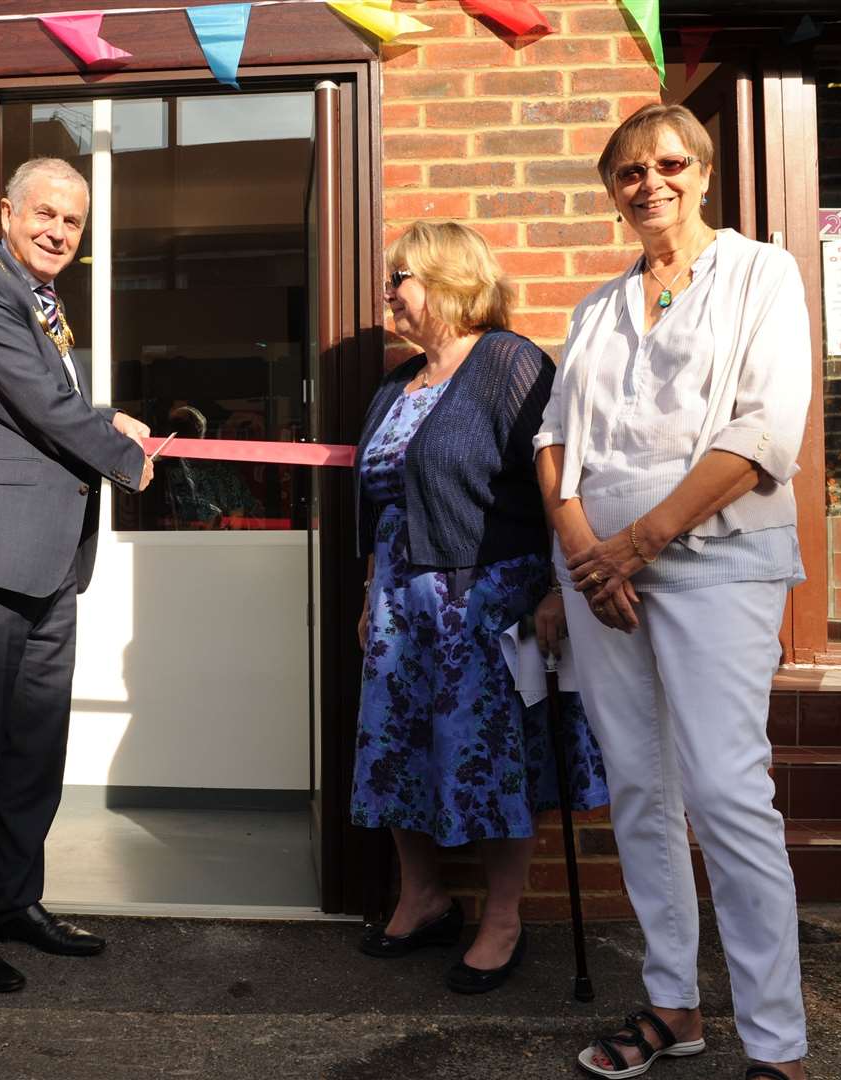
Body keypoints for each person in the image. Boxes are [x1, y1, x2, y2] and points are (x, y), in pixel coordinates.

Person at [533, 103, 811, 1080]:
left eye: (667, 164)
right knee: (642, 792)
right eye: (627, 172)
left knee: (728, 794)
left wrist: (638, 544)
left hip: (715, 564)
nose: (649, 183)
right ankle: (673, 1005)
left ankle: (778, 1049)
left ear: (700, 173)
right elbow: (552, 442)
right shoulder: (598, 309)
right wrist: (584, 553)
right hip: (607, 580)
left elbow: (767, 431)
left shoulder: (760, 275)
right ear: (613, 196)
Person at [0, 156, 153, 992]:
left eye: (72, 223)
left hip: (48, 558)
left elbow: (40, 402)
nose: (56, 231)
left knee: (33, 750)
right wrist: (123, 453)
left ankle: (12, 901)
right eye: (43, 214)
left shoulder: (45, 307)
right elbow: (35, 402)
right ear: (7, 210)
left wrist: (100, 413)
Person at [351, 221, 609, 994]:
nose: (388, 291)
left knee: (489, 757)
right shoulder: (396, 383)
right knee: (395, 748)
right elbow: (378, 502)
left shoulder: (507, 363)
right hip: (402, 601)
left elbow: (559, 477)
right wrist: (372, 592)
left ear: (449, 279)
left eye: (400, 276)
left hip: (486, 596)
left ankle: (502, 917)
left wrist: (563, 586)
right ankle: (425, 898)